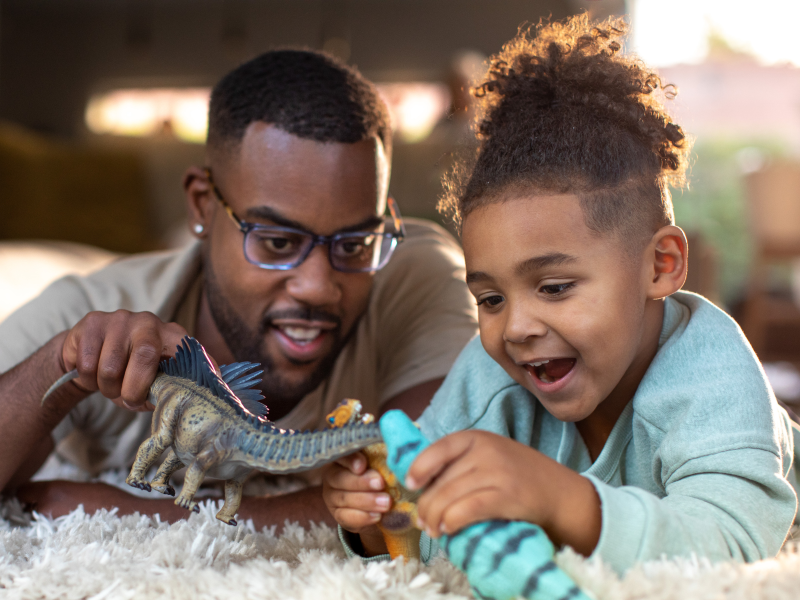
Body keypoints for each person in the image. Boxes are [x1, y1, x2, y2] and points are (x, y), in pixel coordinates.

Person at [323, 15, 798, 572]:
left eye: (554, 287)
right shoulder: (491, 374)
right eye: (491, 299)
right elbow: (428, 526)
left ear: (661, 266)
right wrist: (376, 518)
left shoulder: (713, 373)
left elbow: (731, 546)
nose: (516, 327)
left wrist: (559, 499)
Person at [0, 50, 478, 528]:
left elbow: (435, 483)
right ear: (202, 206)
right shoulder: (87, 309)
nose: (317, 287)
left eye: (354, 243)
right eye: (276, 241)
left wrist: (143, 516)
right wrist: (58, 370)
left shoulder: (414, 272)